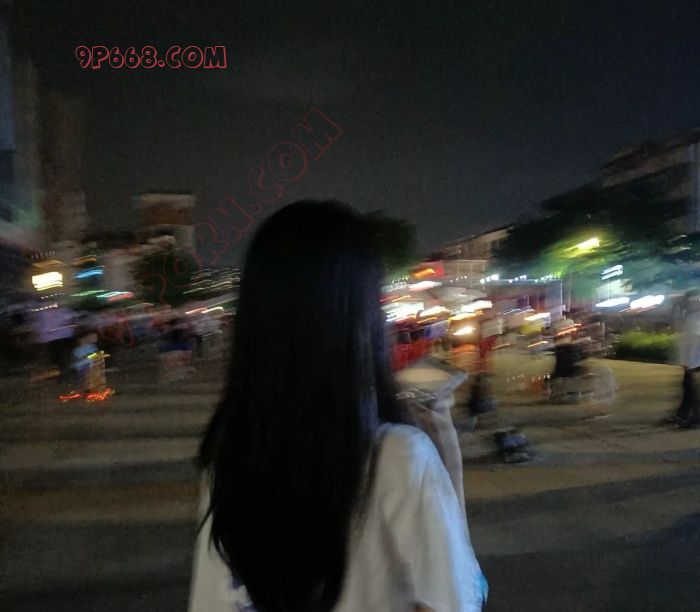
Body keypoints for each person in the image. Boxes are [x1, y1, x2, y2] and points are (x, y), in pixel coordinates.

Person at [189, 201, 487, 612]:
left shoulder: (230, 456)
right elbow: (460, 599)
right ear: (360, 318)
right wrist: (449, 466)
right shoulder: (399, 456)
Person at [676, 290, 700, 428]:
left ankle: (694, 417)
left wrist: (691, 364)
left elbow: (695, 342)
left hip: (694, 362)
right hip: (691, 362)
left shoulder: (696, 318)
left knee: (691, 389)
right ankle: (683, 414)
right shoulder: (692, 316)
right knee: (688, 388)